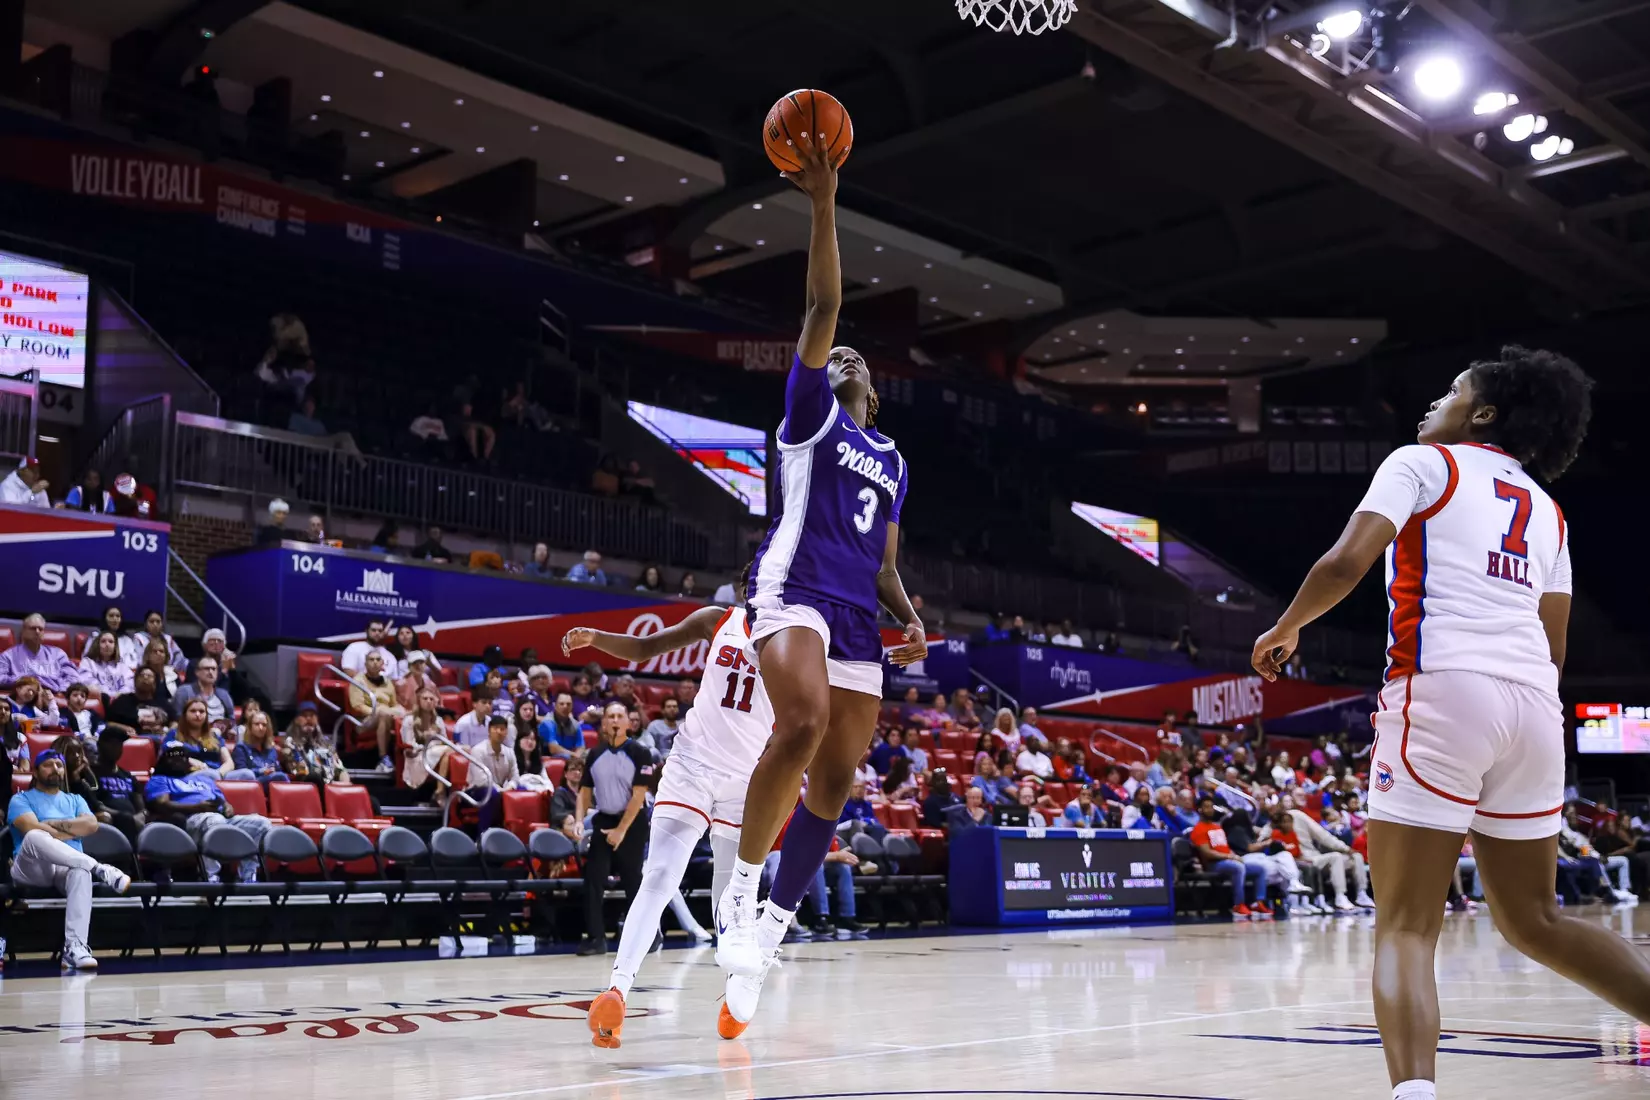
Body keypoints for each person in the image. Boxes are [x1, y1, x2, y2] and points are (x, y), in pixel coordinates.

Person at [1251, 345, 1650, 1100]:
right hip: (1533, 706)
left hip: (1441, 688)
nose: (1437, 400)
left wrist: (1286, 628)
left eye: (1453, 389)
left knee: (1405, 926)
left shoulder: (1422, 464)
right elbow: (1553, 645)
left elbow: (1345, 563)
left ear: (1485, 414)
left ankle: (1414, 1095)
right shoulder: (1550, 513)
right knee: (1536, 921)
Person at [563, 570, 774, 1044]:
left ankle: (737, 997)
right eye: (758, 582)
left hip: (747, 780)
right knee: (659, 876)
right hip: (692, 766)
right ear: (747, 588)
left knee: (733, 901)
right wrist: (598, 638)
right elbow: (645, 648)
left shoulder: (792, 638)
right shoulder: (717, 620)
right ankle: (616, 990)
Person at [6, 748, 133, 969]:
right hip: (31, 868)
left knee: (79, 870)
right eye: (48, 764)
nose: (55, 768)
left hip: (67, 867)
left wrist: (53, 825)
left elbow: (91, 825)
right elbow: (31, 828)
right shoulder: (20, 799)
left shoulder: (75, 799)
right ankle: (99, 868)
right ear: (35, 772)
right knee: (36, 836)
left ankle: (75, 948)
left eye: (59, 764)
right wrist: (73, 829)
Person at [574, 701, 655, 960]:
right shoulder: (595, 754)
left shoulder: (641, 753)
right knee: (593, 879)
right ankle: (596, 938)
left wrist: (621, 831)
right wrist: (578, 819)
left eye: (620, 715)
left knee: (633, 881)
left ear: (629, 723)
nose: (616, 720)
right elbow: (584, 791)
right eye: (611, 716)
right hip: (603, 819)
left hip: (632, 823)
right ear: (604, 723)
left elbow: (638, 796)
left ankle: (647, 935)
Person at [143, 744, 272, 883]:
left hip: (219, 819)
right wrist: (198, 807)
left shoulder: (203, 779)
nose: (178, 759)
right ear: (163, 760)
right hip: (190, 822)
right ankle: (209, 877)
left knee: (261, 823)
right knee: (214, 820)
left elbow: (223, 802)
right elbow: (162, 805)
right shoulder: (160, 779)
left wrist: (227, 807)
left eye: (182, 755)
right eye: (172, 756)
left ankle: (247, 876)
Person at [1188, 795, 1270, 919]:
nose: (1210, 810)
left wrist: (1233, 855)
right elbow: (1207, 853)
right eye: (1206, 807)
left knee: (1260, 869)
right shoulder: (1198, 829)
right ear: (1199, 810)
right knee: (1238, 867)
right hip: (1213, 865)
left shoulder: (1217, 826)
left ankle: (1258, 903)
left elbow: (1224, 847)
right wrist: (1230, 857)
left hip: (1227, 860)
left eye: (1211, 807)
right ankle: (1238, 905)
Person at [348, 651, 405, 770]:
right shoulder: (358, 680)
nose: (375, 662)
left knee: (403, 712)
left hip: (386, 715)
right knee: (383, 713)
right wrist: (378, 711)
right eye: (371, 660)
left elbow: (393, 704)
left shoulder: (387, 682)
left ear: (382, 663)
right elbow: (358, 706)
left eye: (378, 659)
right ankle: (383, 758)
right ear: (365, 663)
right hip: (363, 722)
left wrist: (391, 711)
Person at [91, 726, 146, 841]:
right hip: (109, 820)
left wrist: (141, 815)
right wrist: (126, 817)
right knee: (125, 819)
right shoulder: (91, 773)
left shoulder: (127, 775)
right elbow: (94, 805)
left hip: (133, 820)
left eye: (119, 744)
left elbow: (141, 805)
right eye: (112, 743)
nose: (116, 748)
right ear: (99, 746)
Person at [0, 613, 78, 692]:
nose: (37, 632)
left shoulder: (58, 654)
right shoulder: (8, 656)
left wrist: (58, 688)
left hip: (54, 696)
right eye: (33, 628)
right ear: (23, 631)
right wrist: (26, 680)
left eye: (40, 629)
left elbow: (73, 678)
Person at [172, 655, 235, 725]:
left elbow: (232, 719)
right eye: (206, 669)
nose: (211, 672)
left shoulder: (223, 694)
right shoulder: (184, 691)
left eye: (213, 669)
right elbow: (178, 718)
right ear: (197, 672)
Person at [231, 711, 289, 785]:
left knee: (281, 776)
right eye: (257, 724)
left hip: (272, 782)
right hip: (251, 784)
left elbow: (277, 769)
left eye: (264, 725)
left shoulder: (271, 749)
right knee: (280, 777)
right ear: (250, 727)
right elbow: (242, 774)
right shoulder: (241, 748)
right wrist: (261, 771)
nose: (261, 728)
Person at [75, 631, 131, 700]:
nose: (107, 644)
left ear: (115, 646)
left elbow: (130, 684)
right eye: (103, 641)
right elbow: (88, 683)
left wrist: (120, 694)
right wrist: (111, 696)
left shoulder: (122, 666)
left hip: (120, 700)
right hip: (99, 700)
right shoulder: (87, 662)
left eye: (111, 642)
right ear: (97, 645)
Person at [639, 696, 683, 760]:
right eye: (668, 707)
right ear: (663, 710)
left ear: (678, 710)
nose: (672, 709)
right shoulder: (654, 726)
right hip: (660, 762)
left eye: (674, 706)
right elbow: (649, 746)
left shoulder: (683, 726)